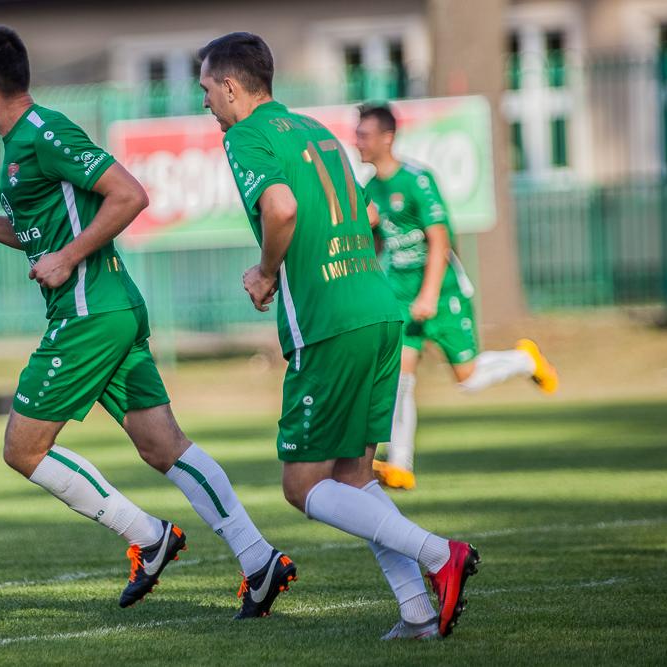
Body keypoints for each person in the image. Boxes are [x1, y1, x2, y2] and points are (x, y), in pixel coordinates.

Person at [0, 24, 294, 617]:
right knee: (164, 446)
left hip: (88, 314)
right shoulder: (21, 143)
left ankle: (149, 537)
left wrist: (68, 258)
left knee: (23, 449)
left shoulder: (44, 132)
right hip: (109, 308)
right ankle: (259, 560)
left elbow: (129, 194)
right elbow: (43, 237)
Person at [200, 31, 479, 640]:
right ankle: (417, 610)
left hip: (329, 321)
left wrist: (266, 272)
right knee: (355, 476)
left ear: (231, 87)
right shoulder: (316, 131)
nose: (206, 104)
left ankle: (439, 554)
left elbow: (281, 208)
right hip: (379, 307)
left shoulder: (245, 136)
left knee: (302, 485)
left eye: (207, 90)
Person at [355, 104, 559, 490]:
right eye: (357, 134)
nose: (357, 141)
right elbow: (379, 238)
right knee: (399, 377)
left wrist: (430, 294)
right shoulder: (369, 187)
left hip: (442, 292)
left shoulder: (417, 180)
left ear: (387, 138)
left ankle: (525, 359)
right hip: (400, 295)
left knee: (468, 378)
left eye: (364, 135)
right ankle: (400, 464)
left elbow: (440, 239)